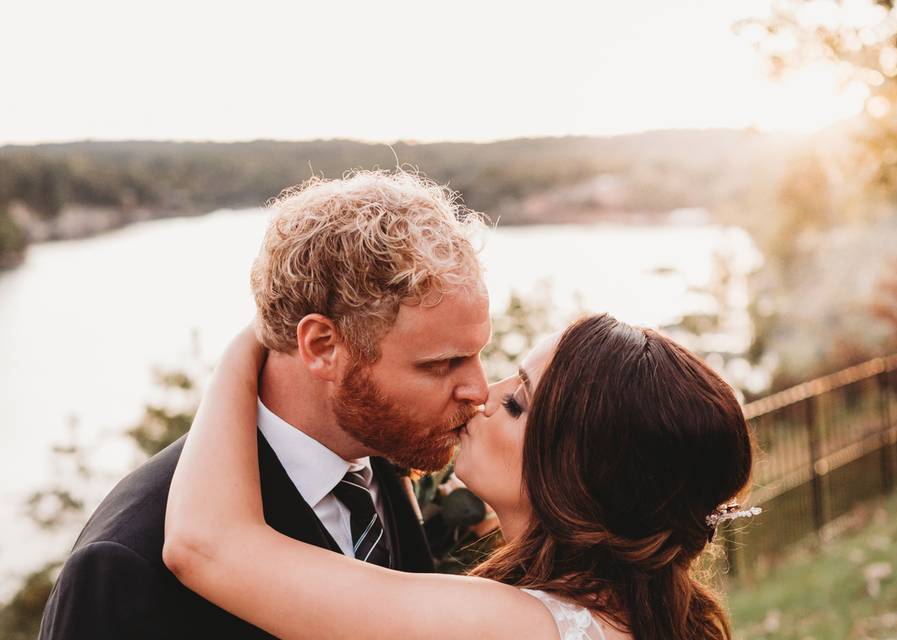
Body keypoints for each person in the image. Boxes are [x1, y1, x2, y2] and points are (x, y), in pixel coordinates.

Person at [39, 170, 491, 639]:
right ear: (321, 346)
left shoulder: (383, 451)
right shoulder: (129, 559)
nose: (478, 390)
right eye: (441, 365)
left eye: (478, 353)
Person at [164, 313, 759, 640]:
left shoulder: (518, 627)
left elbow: (206, 546)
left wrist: (253, 340)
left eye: (518, 404)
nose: (481, 394)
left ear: (577, 477)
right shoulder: (653, 618)